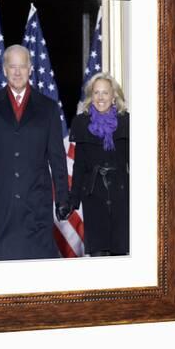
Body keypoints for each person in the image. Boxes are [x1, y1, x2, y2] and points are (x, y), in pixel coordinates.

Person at [0, 44, 69, 261]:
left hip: (37, 206)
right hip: (1, 208)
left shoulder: (48, 108)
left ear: (30, 69)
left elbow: (57, 158)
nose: (17, 72)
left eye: (22, 66)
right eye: (12, 66)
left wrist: (63, 198)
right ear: (4, 69)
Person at [69, 72, 129, 256]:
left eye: (105, 93)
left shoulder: (126, 121)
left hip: (122, 198)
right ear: (91, 96)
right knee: (98, 257)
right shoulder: (81, 123)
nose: (100, 97)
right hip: (94, 198)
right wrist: (73, 200)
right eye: (96, 93)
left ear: (113, 97)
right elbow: (79, 167)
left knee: (122, 255)